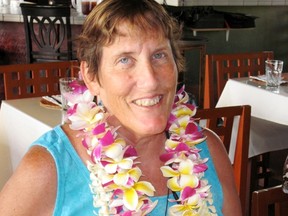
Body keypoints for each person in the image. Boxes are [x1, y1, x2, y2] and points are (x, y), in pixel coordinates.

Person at [0, 0, 242, 215]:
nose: (150, 80)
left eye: (159, 55)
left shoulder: (209, 150)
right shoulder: (48, 169)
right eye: (125, 59)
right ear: (91, 77)